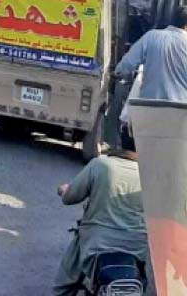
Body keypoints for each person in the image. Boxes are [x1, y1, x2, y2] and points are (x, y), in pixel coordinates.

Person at [53, 126, 148, 296]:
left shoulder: (101, 164)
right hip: (137, 251)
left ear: (120, 141)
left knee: (63, 286)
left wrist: (64, 190)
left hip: (95, 248)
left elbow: (70, 198)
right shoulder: (153, 175)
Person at [115, 5, 187, 103]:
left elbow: (127, 64)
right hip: (181, 110)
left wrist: (117, 72)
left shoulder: (151, 36)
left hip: (148, 106)